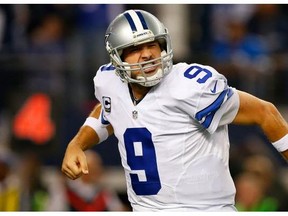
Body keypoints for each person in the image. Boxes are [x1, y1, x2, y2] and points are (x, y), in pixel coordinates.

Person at [61, 9, 288, 211]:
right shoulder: (109, 82)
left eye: (152, 44)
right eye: (135, 48)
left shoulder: (191, 86)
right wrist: (77, 144)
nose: (148, 54)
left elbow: (265, 112)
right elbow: (108, 110)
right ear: (117, 58)